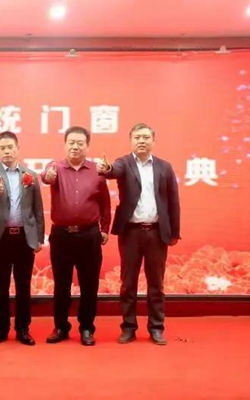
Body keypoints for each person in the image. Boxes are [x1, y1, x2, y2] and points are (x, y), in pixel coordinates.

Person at [97, 122, 180, 345]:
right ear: (131, 141)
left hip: (156, 233)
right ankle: (128, 327)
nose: (141, 141)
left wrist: (174, 231)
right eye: (137, 137)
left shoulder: (165, 167)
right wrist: (106, 169)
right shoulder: (124, 163)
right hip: (131, 233)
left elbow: (173, 201)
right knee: (128, 283)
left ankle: (156, 328)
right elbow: (113, 171)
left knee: (156, 284)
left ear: (153, 141)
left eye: (145, 137)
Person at [41, 126, 111, 346]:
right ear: (65, 145)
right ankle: (61, 327)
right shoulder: (55, 167)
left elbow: (105, 203)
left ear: (87, 146)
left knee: (89, 284)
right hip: (62, 236)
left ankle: (86, 328)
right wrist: (47, 176)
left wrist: (104, 229)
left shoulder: (97, 171)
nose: (75, 146)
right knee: (61, 285)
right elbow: (45, 176)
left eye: (80, 143)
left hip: (89, 235)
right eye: (71, 142)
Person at [0, 131, 45, 346]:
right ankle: (0, 329)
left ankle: (23, 329)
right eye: (2, 148)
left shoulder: (30, 175)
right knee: (0, 284)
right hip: (0, 238)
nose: (7, 151)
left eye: (10, 147)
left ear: (18, 149)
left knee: (23, 285)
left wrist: (39, 238)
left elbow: (38, 208)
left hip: (24, 238)